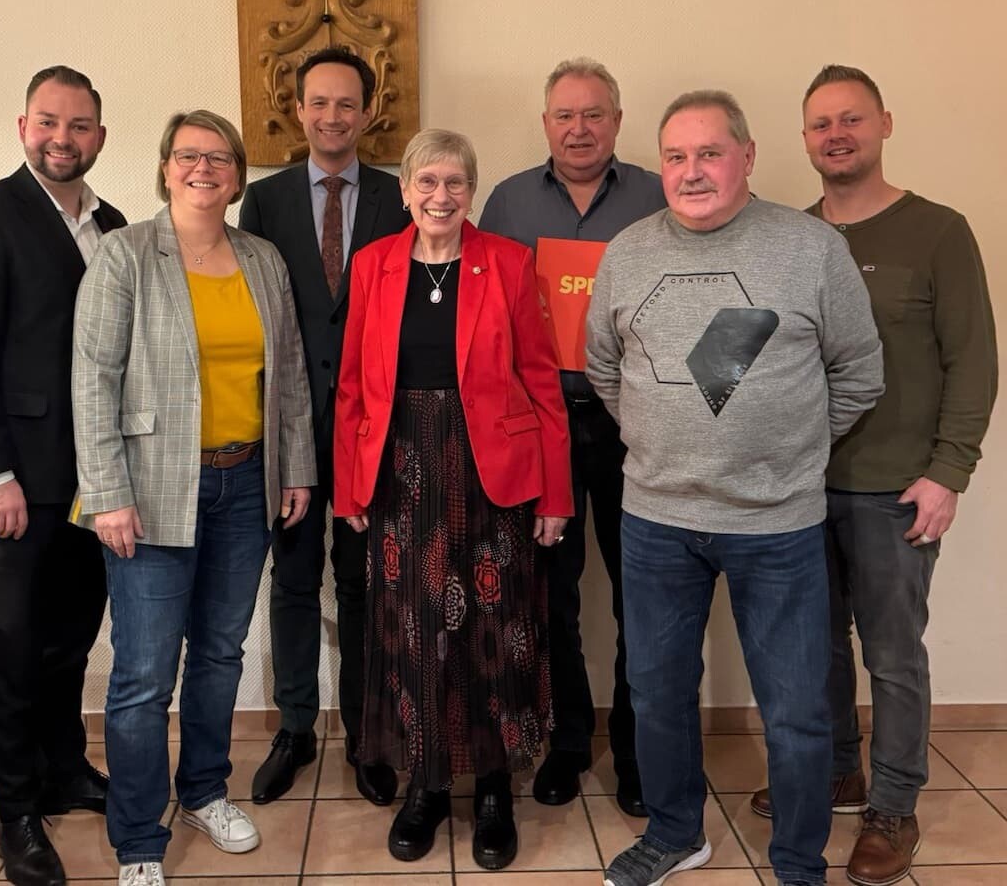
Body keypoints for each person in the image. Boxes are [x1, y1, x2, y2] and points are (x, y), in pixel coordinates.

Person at [586, 91, 884, 886]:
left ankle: (796, 862)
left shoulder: (810, 247)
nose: (691, 172)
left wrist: (790, 449)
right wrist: (666, 439)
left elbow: (859, 372)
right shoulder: (626, 252)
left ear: (747, 156)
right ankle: (677, 832)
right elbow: (604, 370)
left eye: (709, 153)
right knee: (655, 694)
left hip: (778, 523)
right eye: (676, 156)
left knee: (794, 710)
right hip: (655, 519)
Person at [748, 66, 997, 886]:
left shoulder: (937, 231)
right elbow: (751, 353)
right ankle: (834, 773)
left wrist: (948, 471)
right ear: (805, 139)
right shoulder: (791, 236)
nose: (835, 135)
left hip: (896, 487)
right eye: (820, 124)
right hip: (798, 484)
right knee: (812, 647)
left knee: (892, 654)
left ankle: (893, 804)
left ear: (885, 123)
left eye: (850, 119)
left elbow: (975, 363)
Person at [72, 110, 316, 886]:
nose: (202, 167)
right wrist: (105, 491)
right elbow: (93, 380)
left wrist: (296, 468)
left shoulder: (261, 257)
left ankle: (205, 790)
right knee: (144, 671)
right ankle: (139, 835)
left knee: (219, 653)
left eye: (218, 157)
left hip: (247, 482)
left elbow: (289, 379)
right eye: (188, 155)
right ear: (166, 167)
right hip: (148, 490)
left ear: (238, 175)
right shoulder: (124, 255)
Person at [334, 128, 573, 869]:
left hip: (490, 473)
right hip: (401, 469)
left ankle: (495, 786)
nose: (441, 196)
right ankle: (427, 784)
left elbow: (542, 382)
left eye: (455, 183)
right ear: (404, 189)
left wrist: (555, 492)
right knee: (414, 629)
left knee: (496, 627)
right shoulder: (373, 265)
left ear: (472, 189)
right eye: (427, 182)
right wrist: (350, 483)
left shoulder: (506, 261)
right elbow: (350, 388)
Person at [0, 66, 125, 886]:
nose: (63, 138)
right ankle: (15, 811)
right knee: (11, 647)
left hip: (92, 480)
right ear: (22, 127)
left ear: (100, 139)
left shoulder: (112, 224)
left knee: (71, 636)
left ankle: (62, 766)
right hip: (11, 483)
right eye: (49, 121)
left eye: (79, 126)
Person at [479, 57, 666, 816]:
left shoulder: (658, 197)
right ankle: (563, 743)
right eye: (565, 115)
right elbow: (482, 315)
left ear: (617, 121)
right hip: (541, 425)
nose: (579, 128)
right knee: (548, 597)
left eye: (594, 114)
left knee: (642, 595)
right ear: (545, 122)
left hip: (639, 428)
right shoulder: (508, 201)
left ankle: (636, 751)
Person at [240, 47, 407, 806]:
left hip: (377, 426)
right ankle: (297, 725)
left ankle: (371, 734)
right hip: (294, 430)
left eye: (347, 103)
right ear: (298, 109)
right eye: (319, 102)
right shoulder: (265, 201)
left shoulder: (398, 194)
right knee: (295, 579)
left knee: (368, 580)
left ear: (367, 112)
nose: (333, 116)